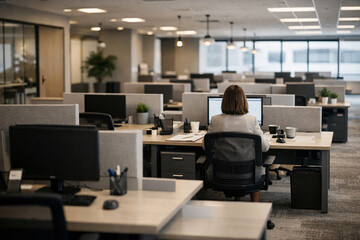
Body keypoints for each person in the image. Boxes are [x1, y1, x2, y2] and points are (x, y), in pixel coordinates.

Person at [206, 84, 269, 202]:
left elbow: (206, 146)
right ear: (243, 101)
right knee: (256, 167)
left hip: (220, 173)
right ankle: (255, 209)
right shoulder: (252, 120)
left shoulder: (215, 120)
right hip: (247, 174)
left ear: (224, 101)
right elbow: (265, 148)